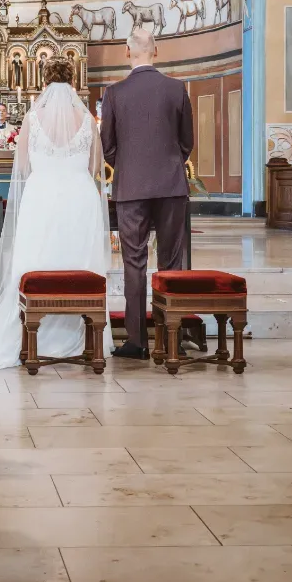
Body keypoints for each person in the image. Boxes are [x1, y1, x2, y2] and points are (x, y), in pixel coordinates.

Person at [0, 57, 112, 375]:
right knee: (76, 264)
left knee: (40, 262)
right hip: (80, 200)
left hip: (41, 198)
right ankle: (85, 338)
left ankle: (31, 336)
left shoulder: (33, 117)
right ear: (73, 82)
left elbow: (24, 166)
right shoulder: (86, 119)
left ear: (44, 82)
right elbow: (95, 166)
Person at [101, 27, 194, 359]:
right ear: (157, 51)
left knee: (134, 263)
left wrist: (127, 165)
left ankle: (137, 341)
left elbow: (107, 146)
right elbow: (187, 143)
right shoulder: (176, 89)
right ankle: (171, 337)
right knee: (171, 263)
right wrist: (169, 164)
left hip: (131, 187)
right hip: (171, 185)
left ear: (127, 52)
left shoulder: (113, 93)